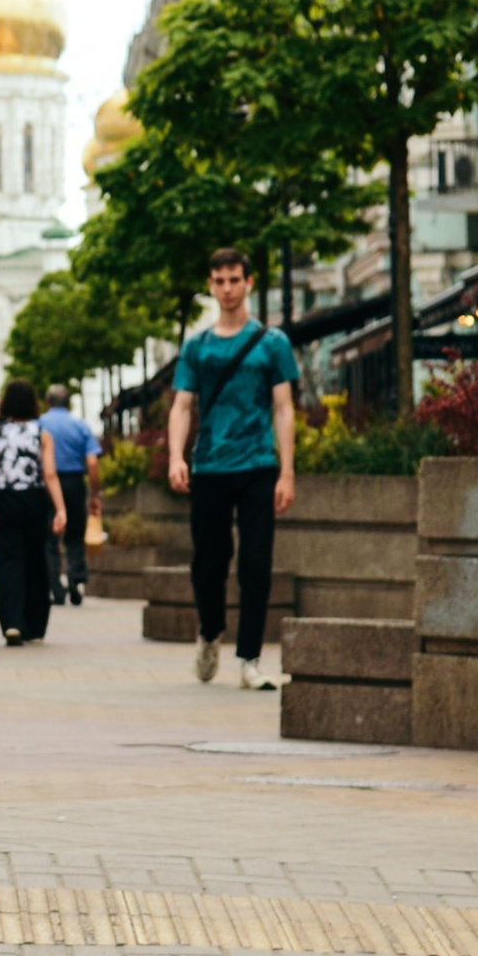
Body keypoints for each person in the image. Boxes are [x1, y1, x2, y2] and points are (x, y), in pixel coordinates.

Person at [168, 243, 300, 692]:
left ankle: (249, 659)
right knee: (209, 561)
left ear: (248, 283)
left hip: (259, 465)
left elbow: (284, 408)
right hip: (209, 467)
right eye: (219, 281)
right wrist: (175, 457)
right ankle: (209, 632)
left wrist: (287, 471)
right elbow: (182, 405)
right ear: (211, 286)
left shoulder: (272, 343)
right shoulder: (198, 347)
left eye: (234, 280)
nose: (227, 289)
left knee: (257, 563)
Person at [0, 376, 62, 645]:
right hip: (35, 501)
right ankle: (36, 625)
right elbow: (50, 474)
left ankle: (12, 623)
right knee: (36, 561)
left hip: (6, 500)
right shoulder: (42, 433)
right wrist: (61, 509)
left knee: (8, 562)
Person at [42, 382, 99, 604]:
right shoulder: (80, 425)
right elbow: (92, 462)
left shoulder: (41, 424)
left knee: (49, 538)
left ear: (48, 402)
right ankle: (76, 580)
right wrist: (95, 492)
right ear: (70, 403)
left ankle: (56, 588)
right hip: (75, 482)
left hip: (48, 485)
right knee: (75, 535)